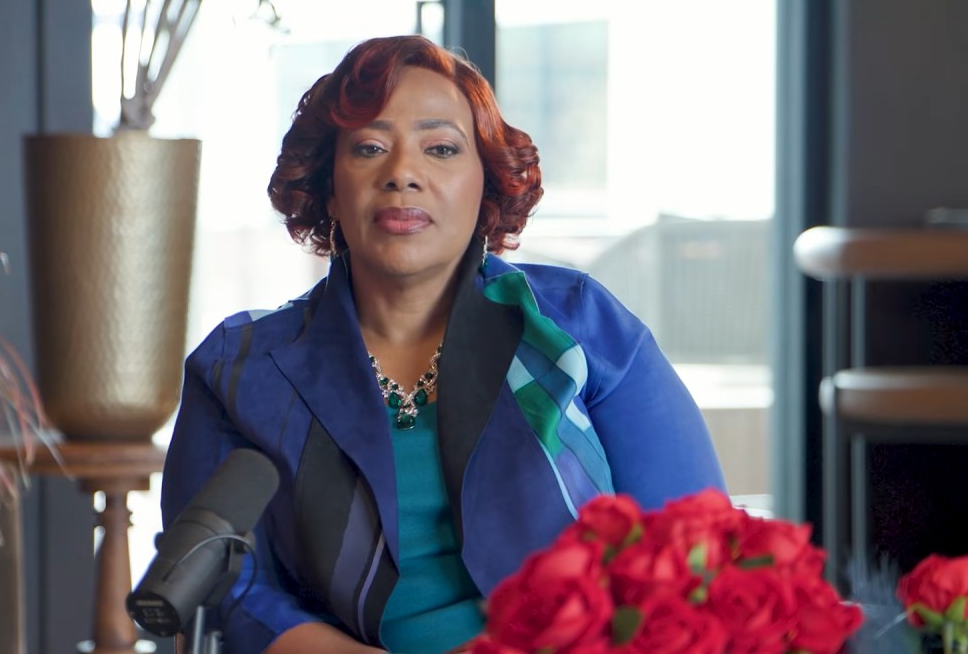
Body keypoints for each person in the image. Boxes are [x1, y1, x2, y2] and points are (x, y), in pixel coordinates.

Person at [160, 34, 726, 654]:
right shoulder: (239, 370)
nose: (403, 174)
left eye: (441, 148)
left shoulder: (579, 325)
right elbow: (231, 589)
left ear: (485, 185)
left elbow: (695, 545)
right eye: (370, 147)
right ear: (328, 188)